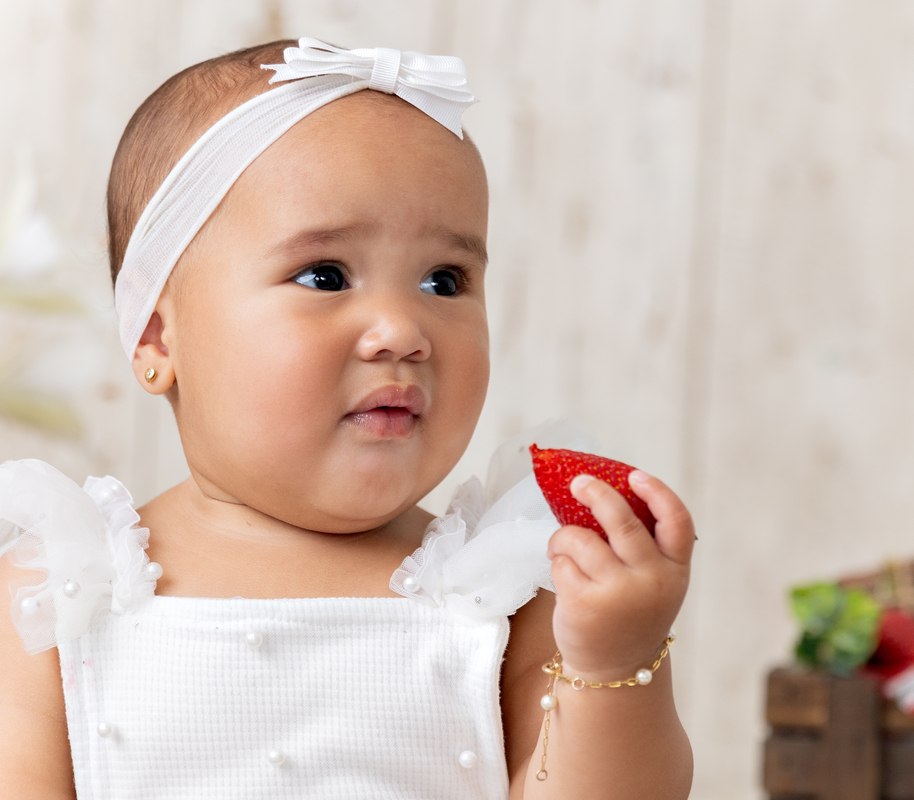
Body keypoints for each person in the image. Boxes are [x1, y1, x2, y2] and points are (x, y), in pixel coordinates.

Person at [0, 38, 694, 799]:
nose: (403, 329)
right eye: (325, 276)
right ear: (160, 337)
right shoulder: (65, 591)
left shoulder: (499, 600)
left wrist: (614, 665)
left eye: (444, 279)